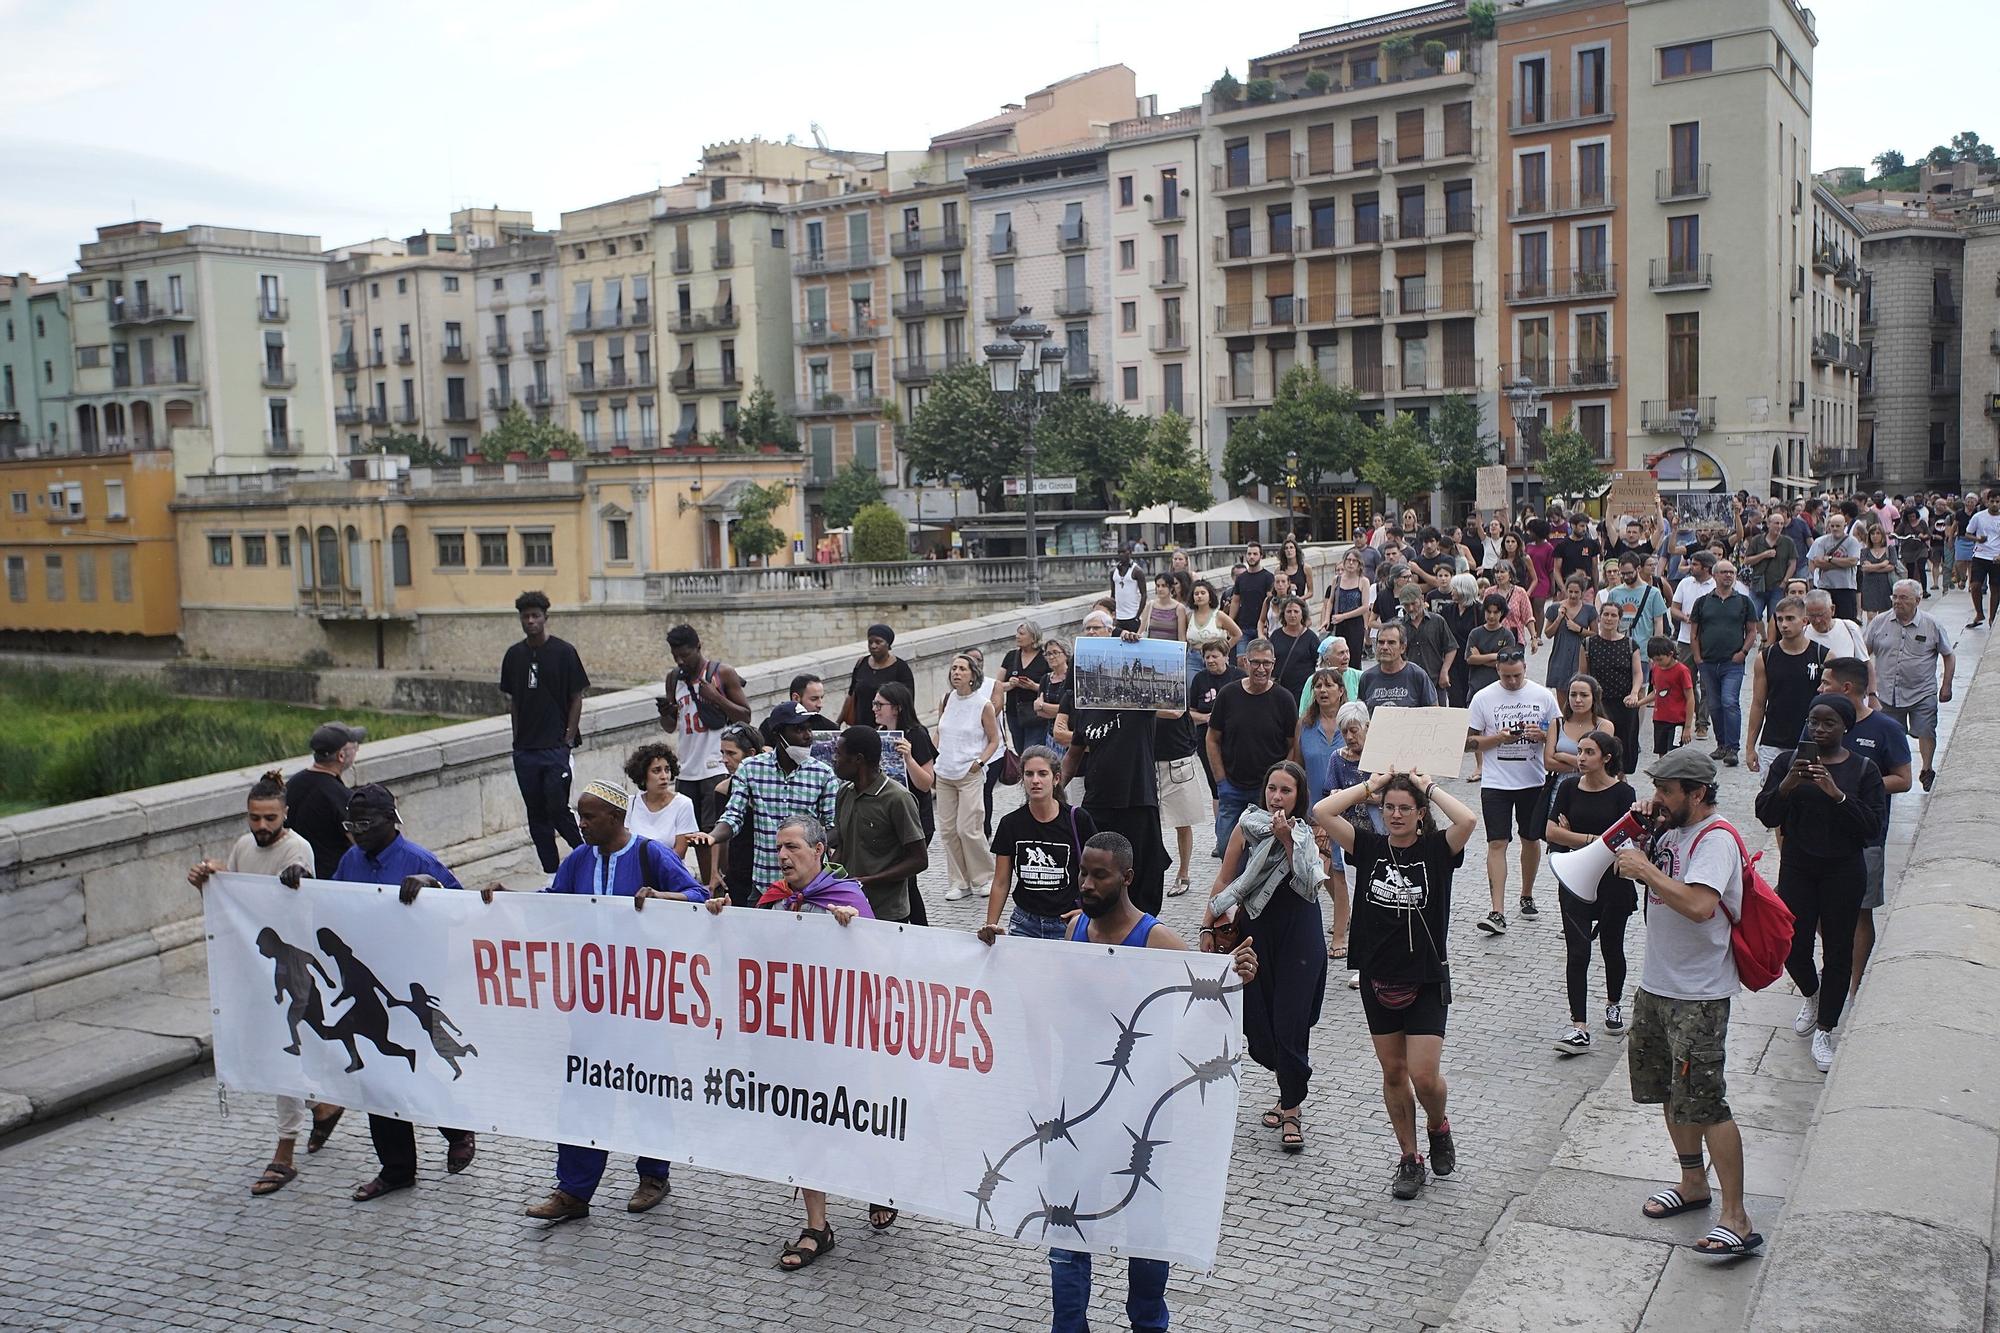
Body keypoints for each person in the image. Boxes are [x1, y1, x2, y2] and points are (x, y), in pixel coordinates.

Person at [981, 831, 1255, 1333]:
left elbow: (1210, 1014)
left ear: (1126, 878)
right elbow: (1061, 1012)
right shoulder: (1074, 932)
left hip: (1141, 1111)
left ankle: (1148, 1322)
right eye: (1083, 872)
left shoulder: (1157, 942)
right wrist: (1005, 961)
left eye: (1098, 875)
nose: (1085, 883)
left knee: (1145, 1220)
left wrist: (1236, 978)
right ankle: (1069, 1325)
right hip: (1078, 1103)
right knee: (1064, 1221)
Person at [497, 781, 707, 1222]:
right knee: (583, 1089)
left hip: (644, 999)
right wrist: (505, 901)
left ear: (615, 818)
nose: (581, 824)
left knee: (647, 1087)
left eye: (589, 817)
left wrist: (663, 897)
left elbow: (698, 896)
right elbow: (553, 904)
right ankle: (573, 1189)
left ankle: (654, 1173)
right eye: (579, 815)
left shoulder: (651, 855)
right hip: (591, 1001)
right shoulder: (577, 860)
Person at [278, 783, 476, 1201]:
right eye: (351, 824)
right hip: (367, 986)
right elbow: (332, 905)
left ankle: (456, 1128)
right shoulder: (351, 860)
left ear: (392, 820)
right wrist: (305, 884)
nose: (356, 833)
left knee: (421, 1066)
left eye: (365, 824)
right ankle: (397, 1168)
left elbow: (465, 911)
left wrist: (432, 888)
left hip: (414, 984)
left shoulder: (419, 860)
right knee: (378, 1079)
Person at [704, 814, 882, 1264]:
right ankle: (817, 1227)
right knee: (804, 1127)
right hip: (791, 1042)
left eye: (792, 848)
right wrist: (722, 923)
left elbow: (882, 963)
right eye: (779, 848)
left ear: (819, 851)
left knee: (852, 1123)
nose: (782, 856)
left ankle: (881, 1181)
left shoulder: (847, 899)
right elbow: (748, 960)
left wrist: (854, 932)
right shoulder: (772, 900)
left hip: (840, 1041)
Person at [1616, 749, 1762, 1256]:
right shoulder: (1671, 830)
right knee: (1669, 1094)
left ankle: (1736, 1218)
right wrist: (1636, 836)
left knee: (1708, 1102)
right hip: (1658, 985)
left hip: (1698, 995)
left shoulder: (1715, 839)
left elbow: (1701, 906)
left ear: (1696, 794)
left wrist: (1644, 870)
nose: (1658, 798)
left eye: (1667, 791)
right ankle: (1693, 1184)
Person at [1315, 769, 1478, 1199]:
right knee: (1393, 1073)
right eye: (1389, 807)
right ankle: (1409, 1158)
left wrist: (1429, 787)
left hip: (1424, 977)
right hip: (1377, 977)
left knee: (1424, 1077)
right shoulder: (1368, 847)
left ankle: (1438, 1126)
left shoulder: (1437, 850)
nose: (1396, 815)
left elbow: (1467, 821)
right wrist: (1374, 784)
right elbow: (1321, 810)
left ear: (1421, 813)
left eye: (1406, 808)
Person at [187, 770, 322, 1194]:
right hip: (257, 968)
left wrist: (297, 880)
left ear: (285, 815)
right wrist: (213, 883)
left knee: (286, 1052)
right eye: (254, 818)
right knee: (283, 1047)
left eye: (269, 819)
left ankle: (284, 1153)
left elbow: (296, 909)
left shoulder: (298, 849)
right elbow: (239, 905)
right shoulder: (245, 846)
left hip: (290, 971)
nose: (261, 827)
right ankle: (325, 1104)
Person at [1753, 695, 1886, 1073]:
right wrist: (1787, 786)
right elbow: (1766, 813)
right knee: (1790, 944)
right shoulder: (1786, 763)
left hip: (1843, 869)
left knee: (1839, 949)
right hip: (1798, 865)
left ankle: (1826, 1027)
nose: (1819, 730)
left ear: (1845, 727)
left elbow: (1872, 827)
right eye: (1814, 722)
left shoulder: (1863, 770)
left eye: (1828, 723)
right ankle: (1812, 994)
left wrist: (1838, 795)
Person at [1201, 760, 1328, 1154]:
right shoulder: (1246, 825)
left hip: (1300, 934)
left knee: (1291, 1021)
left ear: (1299, 796)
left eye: (1286, 791)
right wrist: (1208, 925)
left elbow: (1312, 882)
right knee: (1259, 1023)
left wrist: (1287, 839)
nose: (1277, 797)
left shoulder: (1311, 833)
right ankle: (1286, 1086)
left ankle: (1291, 1108)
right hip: (1256, 933)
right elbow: (1226, 879)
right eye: (1272, 788)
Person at [1057, 611, 1181, 912]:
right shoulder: (1087, 705)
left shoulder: (1140, 700)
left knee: (1143, 871)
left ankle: (1141, 928)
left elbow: (1169, 690)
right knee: (1095, 869)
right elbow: (1074, 754)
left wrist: (1131, 643)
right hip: (1099, 801)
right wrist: (1054, 790)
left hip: (1138, 801)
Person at [1818, 657, 1912, 1005]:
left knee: (1860, 911)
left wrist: (1855, 787)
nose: (1820, 688)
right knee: (1817, 908)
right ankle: (1833, 970)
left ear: (1846, 688)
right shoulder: (1818, 722)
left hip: (1865, 838)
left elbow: (1903, 780)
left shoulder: (1885, 729)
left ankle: (1855, 989)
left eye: (1825, 682)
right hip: (1820, 836)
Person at [1544, 734, 1638, 1054]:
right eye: (1580, 751)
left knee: (1612, 948)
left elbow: (1625, 838)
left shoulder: (1624, 793)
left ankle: (1613, 1003)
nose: (1580, 757)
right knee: (1578, 952)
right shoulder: (1569, 787)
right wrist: (1595, 840)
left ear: (1606, 758)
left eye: (1589, 752)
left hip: (1613, 883)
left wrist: (1575, 837)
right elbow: (1551, 831)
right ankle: (1579, 1026)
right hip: (1575, 878)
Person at [1466, 647, 1560, 933]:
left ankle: (1527, 893)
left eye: (1517, 675)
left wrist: (1542, 736)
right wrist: (1497, 739)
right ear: (1497, 671)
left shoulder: (1543, 696)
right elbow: (1468, 742)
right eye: (1506, 676)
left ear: (1526, 669)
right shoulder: (1483, 698)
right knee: (1497, 843)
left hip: (1533, 780)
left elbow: (1557, 736)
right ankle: (1497, 910)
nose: (1512, 681)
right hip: (1496, 782)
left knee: (1531, 839)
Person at [709, 701, 842, 899]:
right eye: (799, 729)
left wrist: (808, 845)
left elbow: (832, 827)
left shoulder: (824, 774)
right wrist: (712, 837)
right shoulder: (750, 768)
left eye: (809, 729)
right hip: (765, 885)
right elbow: (733, 817)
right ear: (779, 734)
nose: (808, 736)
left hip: (809, 888)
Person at [499, 591, 589, 874]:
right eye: (525, 617)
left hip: (554, 748)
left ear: (545, 617)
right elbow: (513, 700)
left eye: (535, 616)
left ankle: (588, 856)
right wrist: (517, 741)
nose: (531, 621)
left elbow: (577, 696)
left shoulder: (564, 652)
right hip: (526, 750)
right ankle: (551, 871)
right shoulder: (514, 655)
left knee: (558, 809)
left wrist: (567, 740)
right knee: (536, 815)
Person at [663, 623, 753, 881]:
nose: (681, 661)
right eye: (676, 656)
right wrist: (666, 714)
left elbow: (745, 715)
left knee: (716, 831)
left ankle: (720, 880)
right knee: (693, 835)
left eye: (685, 655)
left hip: (715, 766)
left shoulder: (721, 673)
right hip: (687, 768)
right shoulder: (674, 679)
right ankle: (706, 882)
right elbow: (670, 726)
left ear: (698, 648)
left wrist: (716, 697)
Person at [981, 746, 1096, 941]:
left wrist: (1087, 911)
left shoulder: (1078, 819)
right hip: (1024, 923)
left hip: (1068, 922)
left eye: (1042, 774)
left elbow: (1098, 873)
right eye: (1029, 774)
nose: (1035, 780)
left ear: (1056, 779)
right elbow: (1001, 881)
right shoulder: (1010, 824)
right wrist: (990, 925)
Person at [1205, 638, 1300, 858]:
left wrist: (1280, 784)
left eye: (1266, 663)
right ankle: (1230, 891)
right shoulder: (1228, 695)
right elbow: (1212, 738)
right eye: (1255, 662)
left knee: (1265, 854)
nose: (1261, 668)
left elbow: (1293, 745)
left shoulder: (1284, 699)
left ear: (1274, 664)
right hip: (1233, 789)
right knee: (1226, 849)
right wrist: (1221, 779)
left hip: (1268, 793)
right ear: (1245, 663)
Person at [831, 725, 929, 924]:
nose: (835, 760)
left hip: (887, 913)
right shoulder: (844, 793)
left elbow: (919, 859)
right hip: (847, 908)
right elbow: (843, 844)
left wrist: (868, 880)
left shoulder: (898, 799)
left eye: (839, 754)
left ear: (858, 759)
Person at [1863, 579, 1955, 790]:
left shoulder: (1932, 624)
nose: (1897, 602)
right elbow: (1863, 654)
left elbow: (1948, 655)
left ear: (1918, 600)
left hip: (1922, 691)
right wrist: (1866, 689)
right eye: (1895, 597)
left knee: (1926, 730)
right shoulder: (1879, 622)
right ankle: (1891, 771)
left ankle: (1927, 768)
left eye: (1903, 597)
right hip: (1886, 693)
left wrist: (1946, 685)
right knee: (1888, 735)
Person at [933, 653, 1001, 901]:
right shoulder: (946, 699)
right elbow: (939, 731)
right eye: (953, 668)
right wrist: (934, 757)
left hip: (969, 773)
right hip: (944, 773)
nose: (956, 673)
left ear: (973, 674)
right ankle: (959, 882)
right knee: (949, 830)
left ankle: (983, 877)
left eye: (962, 669)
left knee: (968, 828)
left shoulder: (983, 704)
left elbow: (994, 740)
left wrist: (980, 762)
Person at [1744, 596, 1831, 775]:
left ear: (1804, 621)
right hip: (1773, 740)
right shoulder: (1766, 658)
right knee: (1772, 796)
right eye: (1780, 619)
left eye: (1790, 618)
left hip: (1810, 740)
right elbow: (1758, 704)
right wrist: (1750, 746)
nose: (1784, 624)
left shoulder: (1823, 656)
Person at [1686, 558, 1759, 767]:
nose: (1728, 575)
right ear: (1715, 575)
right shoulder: (1703, 602)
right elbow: (1694, 633)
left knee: (1729, 702)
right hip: (1708, 662)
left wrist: (1744, 651)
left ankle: (1733, 748)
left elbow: (1752, 630)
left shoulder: (1744, 602)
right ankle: (1721, 744)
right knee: (1715, 705)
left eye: (1731, 572)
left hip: (1732, 662)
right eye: (1724, 572)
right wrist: (1697, 657)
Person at [284, 722, 362, 880]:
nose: (357, 750)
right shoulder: (340, 796)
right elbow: (361, 845)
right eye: (355, 746)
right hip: (330, 883)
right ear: (341, 756)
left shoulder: (292, 784)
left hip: (296, 877)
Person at [1461, 596, 1518, 783]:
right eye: (1489, 611)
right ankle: (1480, 765)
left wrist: (1484, 657)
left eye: (1496, 612)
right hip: (1477, 685)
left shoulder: (1507, 634)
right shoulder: (1475, 633)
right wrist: (1494, 658)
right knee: (1476, 729)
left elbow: (1507, 660)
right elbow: (1470, 658)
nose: (1492, 616)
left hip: (1500, 686)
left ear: (1502, 613)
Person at [710, 724, 764, 907]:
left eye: (731, 754)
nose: (725, 760)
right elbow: (720, 832)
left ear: (751, 754)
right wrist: (714, 871)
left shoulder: (769, 787)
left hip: (765, 866)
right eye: (722, 753)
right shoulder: (723, 789)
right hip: (738, 868)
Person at [622, 742, 701, 859]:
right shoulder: (629, 804)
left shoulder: (683, 804)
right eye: (656, 771)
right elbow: (624, 847)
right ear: (643, 775)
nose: (664, 776)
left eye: (667, 770)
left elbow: (679, 853)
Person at [1670, 550, 1717, 741]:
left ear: (1705, 568)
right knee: (1686, 682)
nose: (1691, 567)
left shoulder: (1715, 585)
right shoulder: (1684, 583)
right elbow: (1674, 608)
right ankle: (1693, 715)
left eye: (1695, 564)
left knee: (1707, 684)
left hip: (1708, 641)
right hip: (1685, 639)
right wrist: (1684, 617)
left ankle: (1703, 723)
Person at [1188, 642, 1244, 799]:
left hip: (1236, 738)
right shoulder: (1200, 679)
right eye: (1207, 657)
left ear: (1226, 657)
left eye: (1215, 656)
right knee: (1217, 788)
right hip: (1207, 737)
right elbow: (1190, 713)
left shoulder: (1238, 676)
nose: (1210, 660)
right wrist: (1207, 718)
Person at [842, 623, 916, 727]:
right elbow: (851, 694)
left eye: (878, 642)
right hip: (861, 727)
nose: (873, 646)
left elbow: (907, 702)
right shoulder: (861, 664)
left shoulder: (901, 668)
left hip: (887, 729)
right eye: (870, 642)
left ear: (888, 644)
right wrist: (839, 721)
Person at [1738, 508, 1797, 632]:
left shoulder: (1788, 542)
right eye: (1776, 523)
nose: (1779, 526)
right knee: (1754, 614)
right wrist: (1764, 555)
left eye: (1781, 523)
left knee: (1774, 617)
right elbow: (1747, 560)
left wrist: (1785, 581)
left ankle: (1772, 641)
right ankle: (1764, 638)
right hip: (1758, 585)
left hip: (1777, 585)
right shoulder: (1757, 540)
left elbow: (1792, 563)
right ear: (1769, 524)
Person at [1357, 623, 1439, 711]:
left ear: (1403, 648)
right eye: (1381, 642)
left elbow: (1434, 713)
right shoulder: (1367, 678)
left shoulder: (1417, 675)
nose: (1384, 647)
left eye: (1391, 643)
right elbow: (1361, 715)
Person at [999, 619, 1053, 754]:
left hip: (1036, 714)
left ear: (1033, 637)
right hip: (1014, 712)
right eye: (1017, 633)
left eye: (1022, 634)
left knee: (1030, 751)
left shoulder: (1045, 658)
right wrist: (1010, 684)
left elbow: (1054, 685)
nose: (1017, 636)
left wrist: (1033, 686)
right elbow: (997, 685)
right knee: (1019, 749)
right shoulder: (1011, 656)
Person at [1396, 586, 1458, 700]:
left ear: (1422, 599)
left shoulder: (1437, 621)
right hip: (1408, 683)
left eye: (1413, 603)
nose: (1410, 608)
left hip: (1435, 681)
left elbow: (1451, 647)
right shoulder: (1399, 626)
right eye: (1406, 605)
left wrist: (1445, 671)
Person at [1805, 511, 1863, 623]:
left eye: (1838, 526)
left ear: (1844, 526)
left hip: (1846, 587)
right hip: (1826, 586)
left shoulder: (1852, 541)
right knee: (1824, 620)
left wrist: (1830, 559)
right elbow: (1818, 562)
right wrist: (1841, 563)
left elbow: (1852, 561)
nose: (1835, 528)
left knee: (1846, 622)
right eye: (1832, 526)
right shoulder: (1822, 541)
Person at [1542, 576, 1598, 690]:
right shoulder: (1555, 608)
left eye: (1576, 592)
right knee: (1561, 693)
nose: (1573, 595)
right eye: (1570, 591)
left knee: (1580, 689)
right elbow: (1548, 634)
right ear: (1566, 591)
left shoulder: (1589, 610)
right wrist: (1558, 619)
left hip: (1580, 655)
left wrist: (1579, 629)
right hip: (1560, 655)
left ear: (1582, 593)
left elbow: (1595, 634)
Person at [1226, 542, 1276, 656]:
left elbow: (1270, 602)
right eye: (1249, 554)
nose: (1251, 557)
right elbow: (1235, 601)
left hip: (1261, 627)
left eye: (1255, 554)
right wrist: (1230, 622)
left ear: (1261, 556)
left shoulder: (1268, 577)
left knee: (1261, 658)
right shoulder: (1241, 578)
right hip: (1243, 627)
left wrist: (1266, 624)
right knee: (1241, 659)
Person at [1324, 548, 1373, 664]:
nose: (1351, 563)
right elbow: (1331, 601)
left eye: (1354, 561)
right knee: (1337, 656)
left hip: (1355, 624)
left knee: (1354, 658)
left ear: (1359, 564)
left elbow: (1365, 607)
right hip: (1338, 623)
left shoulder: (1363, 581)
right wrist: (1326, 619)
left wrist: (1344, 616)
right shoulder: (1337, 580)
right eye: (1348, 560)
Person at [1268, 595, 1319, 701]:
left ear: (1302, 614)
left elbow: (1318, 663)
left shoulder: (1311, 637)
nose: (1292, 615)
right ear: (1283, 614)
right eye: (1289, 611)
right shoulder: (1275, 636)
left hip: (1303, 691)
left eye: (1296, 611)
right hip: (1280, 689)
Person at [1184, 580, 1240, 677]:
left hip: (1216, 659)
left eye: (1203, 593)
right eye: (1196, 594)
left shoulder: (1219, 615)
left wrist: (1223, 650)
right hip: (1194, 658)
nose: (1199, 596)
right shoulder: (1189, 616)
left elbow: (1237, 634)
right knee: (1192, 686)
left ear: (1210, 596)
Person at [1963, 488, 2000, 628]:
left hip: (1996, 556)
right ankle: (1979, 613)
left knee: (1995, 587)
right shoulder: (1978, 517)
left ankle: (1992, 617)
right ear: (1987, 502)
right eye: (1992, 501)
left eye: (1998, 502)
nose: (1995, 504)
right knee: (1975, 585)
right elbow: (1967, 533)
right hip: (1980, 554)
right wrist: (1978, 539)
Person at [1801, 589, 1869, 663]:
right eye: (1812, 616)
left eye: (1821, 615)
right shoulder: (1802, 634)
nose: (1817, 620)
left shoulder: (1850, 628)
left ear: (1832, 609)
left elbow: (1865, 663)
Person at [1858, 525, 1899, 622]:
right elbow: (1864, 568)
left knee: (1884, 616)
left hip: (1886, 585)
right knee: (1871, 616)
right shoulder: (1865, 551)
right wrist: (1883, 564)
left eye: (1878, 533)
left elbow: (1891, 566)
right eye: (1872, 534)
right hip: (1869, 585)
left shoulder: (1890, 549)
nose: (1875, 536)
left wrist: (1872, 567)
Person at [1110, 545, 1146, 632]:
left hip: (1132, 616)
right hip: (1119, 617)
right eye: (1119, 553)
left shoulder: (1137, 571)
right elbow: (1113, 594)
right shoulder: (1113, 572)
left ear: (1130, 553)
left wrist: (1137, 616)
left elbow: (1144, 594)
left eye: (1124, 552)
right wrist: (1112, 613)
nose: (1121, 555)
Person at [1278, 535, 1313, 600]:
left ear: (1296, 550)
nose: (1289, 550)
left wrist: (1299, 599)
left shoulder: (1306, 568)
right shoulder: (1279, 569)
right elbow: (1275, 590)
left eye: (1291, 547)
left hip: (1300, 604)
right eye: (1286, 548)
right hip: (1283, 604)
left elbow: (1310, 592)